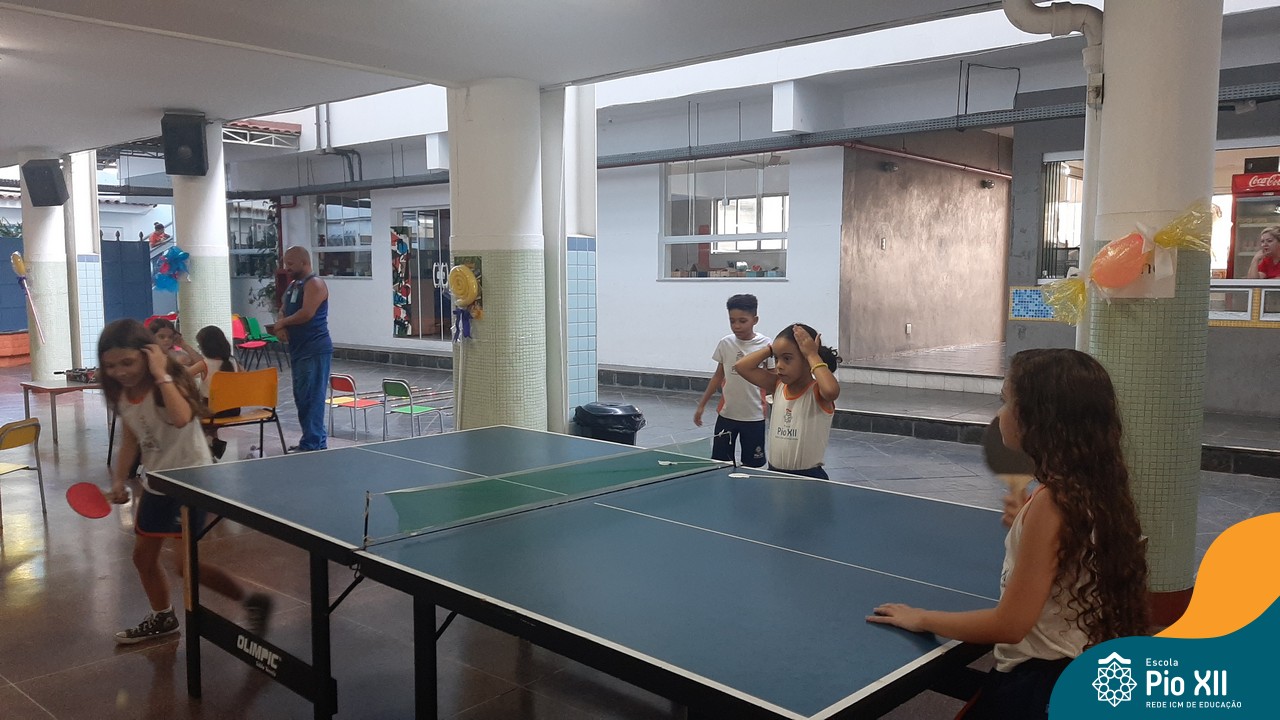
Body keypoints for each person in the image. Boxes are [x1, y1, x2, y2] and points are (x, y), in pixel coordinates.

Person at [866, 349, 1149, 720]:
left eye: (1005, 401)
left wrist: (922, 618)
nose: (999, 414)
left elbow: (1010, 624)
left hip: (1040, 683)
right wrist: (1029, 527)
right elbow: (1071, 551)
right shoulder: (1091, 486)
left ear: (1038, 418)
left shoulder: (1053, 503)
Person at [98, 318, 271, 645]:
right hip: (157, 482)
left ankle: (251, 602)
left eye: (127, 362)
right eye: (111, 366)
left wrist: (161, 372)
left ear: (147, 355)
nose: (119, 371)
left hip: (192, 482)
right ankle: (163, 616)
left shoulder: (166, 384)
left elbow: (180, 418)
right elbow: (131, 440)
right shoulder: (123, 394)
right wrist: (119, 480)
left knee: (185, 565)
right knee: (142, 557)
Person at [734, 323, 841, 478]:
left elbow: (831, 391)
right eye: (776, 358)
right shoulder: (777, 385)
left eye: (787, 358)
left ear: (806, 359)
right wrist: (771, 349)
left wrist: (812, 354)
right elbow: (741, 366)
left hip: (809, 477)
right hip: (774, 474)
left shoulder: (817, 391)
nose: (779, 365)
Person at [693, 294, 771, 467]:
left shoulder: (767, 345)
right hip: (726, 415)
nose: (736, 326)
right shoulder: (725, 343)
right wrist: (701, 405)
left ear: (755, 320)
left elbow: (774, 381)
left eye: (742, 321)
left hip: (754, 417)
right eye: (732, 321)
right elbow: (718, 376)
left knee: (753, 465)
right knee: (720, 463)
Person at [268, 246, 332, 451]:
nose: (286, 268)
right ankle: (314, 439)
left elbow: (306, 313)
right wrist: (281, 324)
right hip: (299, 349)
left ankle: (313, 442)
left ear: (303, 263)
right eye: (285, 263)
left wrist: (282, 323)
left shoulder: (315, 284)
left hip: (315, 349)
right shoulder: (294, 285)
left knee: (312, 397)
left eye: (290, 264)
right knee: (302, 397)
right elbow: (283, 308)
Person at [190, 325, 241, 460]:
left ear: (205, 347)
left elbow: (183, 376)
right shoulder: (233, 362)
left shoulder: (205, 364)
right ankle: (212, 445)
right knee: (209, 423)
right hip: (233, 409)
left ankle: (211, 444)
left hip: (212, 411)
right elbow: (245, 377)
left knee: (190, 417)